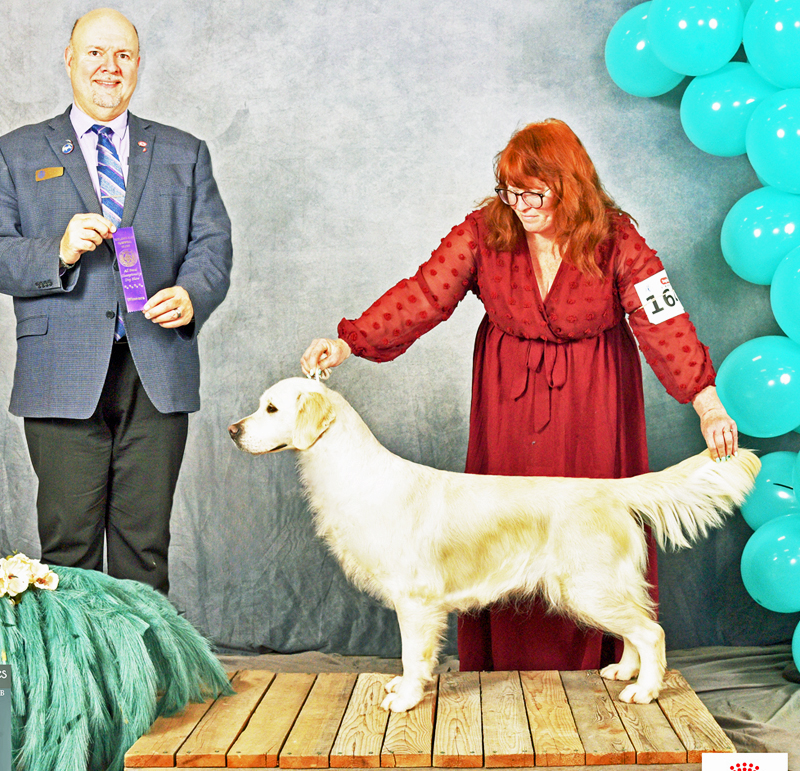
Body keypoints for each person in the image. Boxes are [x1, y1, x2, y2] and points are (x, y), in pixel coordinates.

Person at [301, 118, 738, 672]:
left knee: (590, 526)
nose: (521, 206)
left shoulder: (617, 237)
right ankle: (505, 664)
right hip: (508, 393)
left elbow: (662, 318)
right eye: (511, 192)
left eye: (535, 193)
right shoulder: (485, 229)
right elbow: (425, 293)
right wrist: (350, 340)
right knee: (497, 528)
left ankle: (612, 652)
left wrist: (706, 402)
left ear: (570, 186)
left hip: (595, 396)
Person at [0, 8, 232, 594]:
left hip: (157, 369)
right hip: (60, 373)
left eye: (123, 55)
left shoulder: (185, 151)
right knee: (68, 551)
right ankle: (77, 661)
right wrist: (57, 250)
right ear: (70, 60)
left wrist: (191, 295)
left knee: (145, 549)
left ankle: (142, 659)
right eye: (96, 53)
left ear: (138, 65)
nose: (110, 66)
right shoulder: (15, 152)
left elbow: (212, 246)